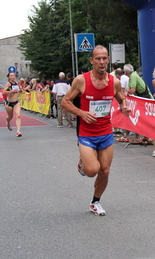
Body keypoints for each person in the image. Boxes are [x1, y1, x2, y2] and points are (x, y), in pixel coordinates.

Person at [61, 45, 131, 216]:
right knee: (92, 171)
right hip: (87, 133)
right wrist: (81, 113)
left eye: (104, 58)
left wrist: (124, 107)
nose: (101, 62)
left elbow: (122, 99)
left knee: (105, 171)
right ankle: (83, 163)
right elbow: (65, 101)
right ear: (91, 61)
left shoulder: (114, 82)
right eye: (97, 58)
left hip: (106, 132)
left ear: (108, 60)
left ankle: (95, 202)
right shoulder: (81, 80)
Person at [121, 63, 153, 143]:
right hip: (143, 98)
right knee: (143, 118)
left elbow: (132, 90)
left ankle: (149, 137)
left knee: (146, 118)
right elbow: (128, 88)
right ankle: (146, 136)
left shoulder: (133, 76)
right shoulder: (132, 76)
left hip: (146, 98)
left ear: (125, 72)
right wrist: (127, 91)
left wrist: (126, 93)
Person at [2, 72, 24, 137]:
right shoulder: (8, 84)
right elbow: (4, 92)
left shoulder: (17, 83)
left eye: (14, 75)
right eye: (11, 75)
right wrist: (12, 91)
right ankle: (8, 122)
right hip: (9, 103)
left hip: (16, 102)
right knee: (10, 117)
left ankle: (18, 131)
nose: (13, 77)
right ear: (9, 77)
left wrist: (21, 90)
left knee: (18, 116)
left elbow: (20, 89)